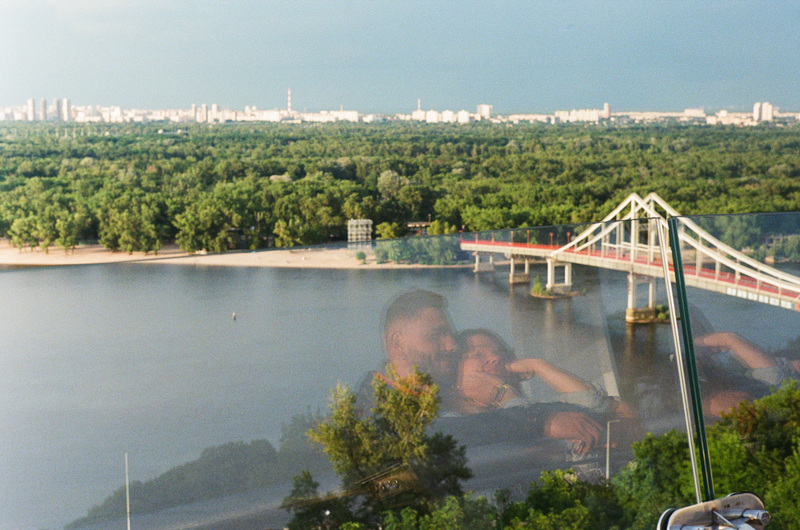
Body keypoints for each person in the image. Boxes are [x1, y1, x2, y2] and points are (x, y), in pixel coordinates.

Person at [361, 290, 603, 454]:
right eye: (436, 335)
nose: (451, 345)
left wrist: (606, 409)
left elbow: (475, 425)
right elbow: (445, 434)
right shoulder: (374, 406)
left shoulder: (432, 395)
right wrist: (537, 421)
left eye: (450, 335)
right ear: (396, 342)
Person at [452, 329, 616, 415]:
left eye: (500, 352)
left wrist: (537, 365)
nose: (495, 357)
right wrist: (500, 393)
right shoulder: (455, 421)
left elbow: (593, 405)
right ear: (455, 368)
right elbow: (530, 426)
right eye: (478, 354)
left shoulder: (522, 407)